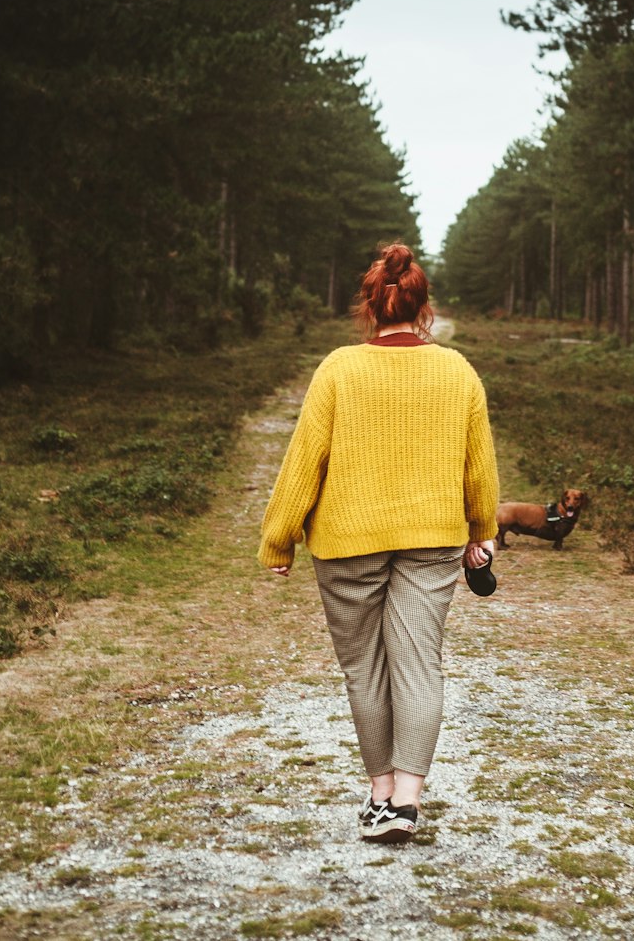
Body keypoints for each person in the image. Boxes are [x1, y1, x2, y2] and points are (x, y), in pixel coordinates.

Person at [258, 243, 499, 843]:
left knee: (364, 669)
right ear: (425, 310)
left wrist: (280, 538)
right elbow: (481, 469)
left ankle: (381, 792)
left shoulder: (338, 368)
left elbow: (304, 460)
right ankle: (409, 803)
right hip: (433, 538)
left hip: (346, 541)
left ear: (370, 305)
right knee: (419, 664)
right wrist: (483, 533)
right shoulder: (458, 371)